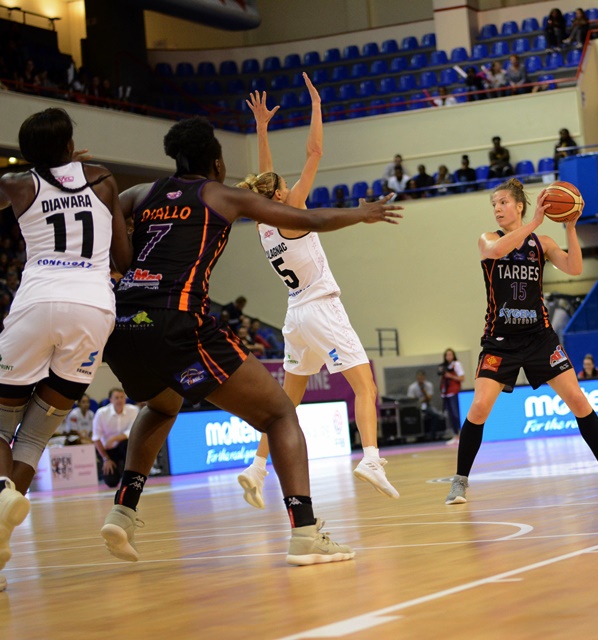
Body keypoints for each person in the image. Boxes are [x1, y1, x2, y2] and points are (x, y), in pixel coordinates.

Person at [98, 115, 402, 567]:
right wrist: (361, 213)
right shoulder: (220, 194)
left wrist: (120, 266)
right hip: (177, 319)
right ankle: (305, 534)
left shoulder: (141, 194)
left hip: (123, 323)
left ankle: (122, 511)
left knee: (162, 405)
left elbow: (99, 218)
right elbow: (308, 217)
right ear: (217, 163)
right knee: (280, 413)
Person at [235, 84, 400, 503]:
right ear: (279, 197)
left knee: (286, 403)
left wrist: (262, 130)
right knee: (365, 388)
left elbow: (261, 180)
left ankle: (255, 468)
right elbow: (314, 154)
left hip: (295, 316)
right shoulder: (290, 213)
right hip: (320, 307)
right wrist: (317, 106)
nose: (292, 189)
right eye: (286, 188)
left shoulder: (262, 224)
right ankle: (371, 458)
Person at [0, 107, 132, 591]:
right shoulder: (102, 180)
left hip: (37, 303)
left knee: (0, 422)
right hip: (94, 310)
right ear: (70, 144)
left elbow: (36, 182)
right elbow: (122, 258)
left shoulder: (18, 184)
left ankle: (1, 493)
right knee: (34, 437)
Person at [445, 178, 598, 504]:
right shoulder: (488, 239)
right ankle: (460, 481)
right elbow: (497, 251)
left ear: (519, 206)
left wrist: (570, 227)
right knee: (480, 406)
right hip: (500, 340)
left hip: (540, 337)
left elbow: (574, 266)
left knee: (578, 401)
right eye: (494, 204)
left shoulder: (540, 243)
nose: (497, 209)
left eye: (502, 203)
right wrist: (536, 222)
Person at [92, 388, 139, 487]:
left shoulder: (133, 410)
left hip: (124, 446)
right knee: (111, 481)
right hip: (108, 450)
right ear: (110, 400)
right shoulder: (101, 413)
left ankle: (131, 475)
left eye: (122, 397)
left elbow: (133, 431)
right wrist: (106, 459)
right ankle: (116, 470)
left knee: (128, 444)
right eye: (116, 398)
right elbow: (96, 439)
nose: (120, 400)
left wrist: (114, 438)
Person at [407, 370, 445, 441]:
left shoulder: (429, 385)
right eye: (419, 377)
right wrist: (419, 401)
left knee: (436, 415)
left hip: (427, 405)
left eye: (422, 377)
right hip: (416, 407)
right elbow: (411, 400)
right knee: (414, 417)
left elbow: (429, 398)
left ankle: (432, 435)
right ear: (416, 378)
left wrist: (424, 392)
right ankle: (418, 436)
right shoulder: (412, 387)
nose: (420, 379)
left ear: (424, 377)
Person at [439, 348, 465, 445]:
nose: (449, 357)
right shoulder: (444, 366)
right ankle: (455, 435)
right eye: (447, 355)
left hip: (454, 392)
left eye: (450, 355)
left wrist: (450, 376)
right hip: (446, 393)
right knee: (450, 415)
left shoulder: (456, 364)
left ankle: (461, 434)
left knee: (456, 414)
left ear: (453, 355)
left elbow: (462, 378)